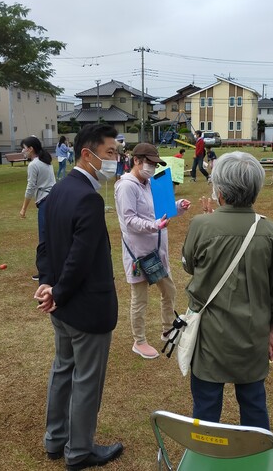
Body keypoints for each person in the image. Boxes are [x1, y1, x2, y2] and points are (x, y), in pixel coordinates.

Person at [35, 123, 124, 470]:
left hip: (62, 305)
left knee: (63, 370)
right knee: (85, 379)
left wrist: (49, 284)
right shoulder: (86, 196)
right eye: (111, 154)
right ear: (87, 155)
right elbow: (81, 257)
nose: (116, 160)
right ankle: (79, 450)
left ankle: (55, 439)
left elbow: (45, 246)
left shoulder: (58, 190)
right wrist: (56, 289)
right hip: (84, 306)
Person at [182, 151, 273, 429]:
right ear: (256, 189)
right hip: (252, 334)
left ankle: (205, 455)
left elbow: (190, 266)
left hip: (210, 336)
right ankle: (257, 454)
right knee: (254, 403)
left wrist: (208, 223)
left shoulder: (200, 225)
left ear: (219, 189)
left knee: (206, 407)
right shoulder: (271, 232)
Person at [114, 143, 190, 359]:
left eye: (155, 164)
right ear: (137, 161)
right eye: (150, 163)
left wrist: (178, 206)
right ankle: (139, 341)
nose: (153, 168)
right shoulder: (126, 186)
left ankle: (168, 329)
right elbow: (128, 221)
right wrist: (153, 225)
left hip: (158, 251)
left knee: (170, 291)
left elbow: (160, 209)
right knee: (139, 300)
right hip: (138, 254)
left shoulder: (149, 183)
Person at [19, 136, 56, 281]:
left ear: (31, 149)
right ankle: (53, 268)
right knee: (52, 236)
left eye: (24, 148)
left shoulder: (34, 164)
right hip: (53, 199)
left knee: (44, 239)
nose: (23, 151)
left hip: (45, 202)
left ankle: (45, 272)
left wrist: (23, 208)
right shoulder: (46, 161)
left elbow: (30, 187)